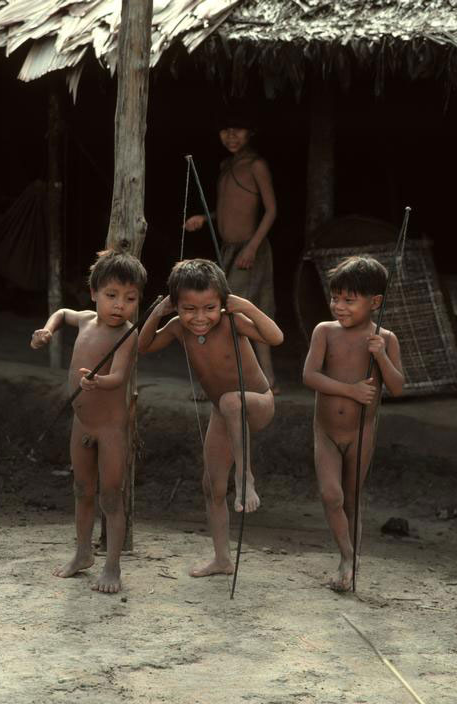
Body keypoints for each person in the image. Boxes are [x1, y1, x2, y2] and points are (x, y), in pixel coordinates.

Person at [138, 259, 283, 577]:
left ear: (222, 303)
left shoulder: (232, 321)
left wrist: (245, 306)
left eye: (209, 308)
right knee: (211, 485)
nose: (199, 318)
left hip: (257, 404)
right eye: (189, 308)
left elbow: (275, 338)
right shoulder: (177, 326)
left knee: (232, 400)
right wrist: (158, 313)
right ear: (176, 305)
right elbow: (143, 345)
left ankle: (245, 477)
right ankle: (222, 559)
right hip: (225, 413)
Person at [31, 249, 147, 593]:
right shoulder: (84, 320)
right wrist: (48, 330)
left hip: (111, 430)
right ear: (94, 292)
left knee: (111, 497)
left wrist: (99, 381)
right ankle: (82, 553)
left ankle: (112, 566)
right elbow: (62, 313)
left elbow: (120, 377)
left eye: (129, 299)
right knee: (82, 490)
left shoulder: (128, 334)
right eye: (111, 296)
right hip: (82, 424)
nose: (119, 306)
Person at [302, 255, 404, 592]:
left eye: (350, 300)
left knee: (351, 499)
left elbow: (398, 385)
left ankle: (349, 563)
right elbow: (309, 375)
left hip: (362, 432)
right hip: (326, 432)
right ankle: (348, 557)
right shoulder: (325, 332)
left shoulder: (384, 338)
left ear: (375, 302)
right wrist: (350, 390)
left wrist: (381, 356)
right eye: (335, 298)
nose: (339, 307)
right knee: (331, 496)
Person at [185, 115, 279, 396]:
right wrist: (205, 218)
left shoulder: (257, 165)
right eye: (225, 130)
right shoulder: (226, 165)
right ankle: (268, 382)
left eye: (237, 129)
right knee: (250, 313)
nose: (231, 136)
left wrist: (251, 247)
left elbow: (272, 210)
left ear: (251, 131)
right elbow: (228, 208)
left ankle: (225, 381)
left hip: (251, 248)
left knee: (231, 313)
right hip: (228, 250)